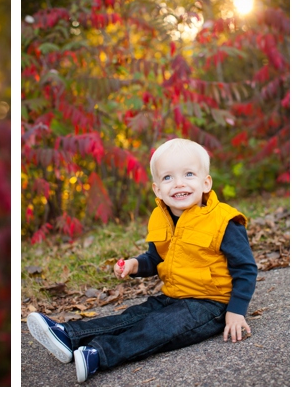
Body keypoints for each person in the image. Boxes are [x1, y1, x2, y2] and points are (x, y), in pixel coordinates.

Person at [26, 138, 256, 383]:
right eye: (168, 177)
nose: (179, 183)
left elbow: (245, 268)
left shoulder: (224, 221)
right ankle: (68, 335)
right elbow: (155, 258)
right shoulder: (160, 217)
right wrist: (135, 265)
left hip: (212, 304)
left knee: (156, 329)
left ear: (206, 182)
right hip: (174, 295)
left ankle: (98, 354)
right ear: (157, 189)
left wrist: (236, 311)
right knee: (132, 316)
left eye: (189, 174)